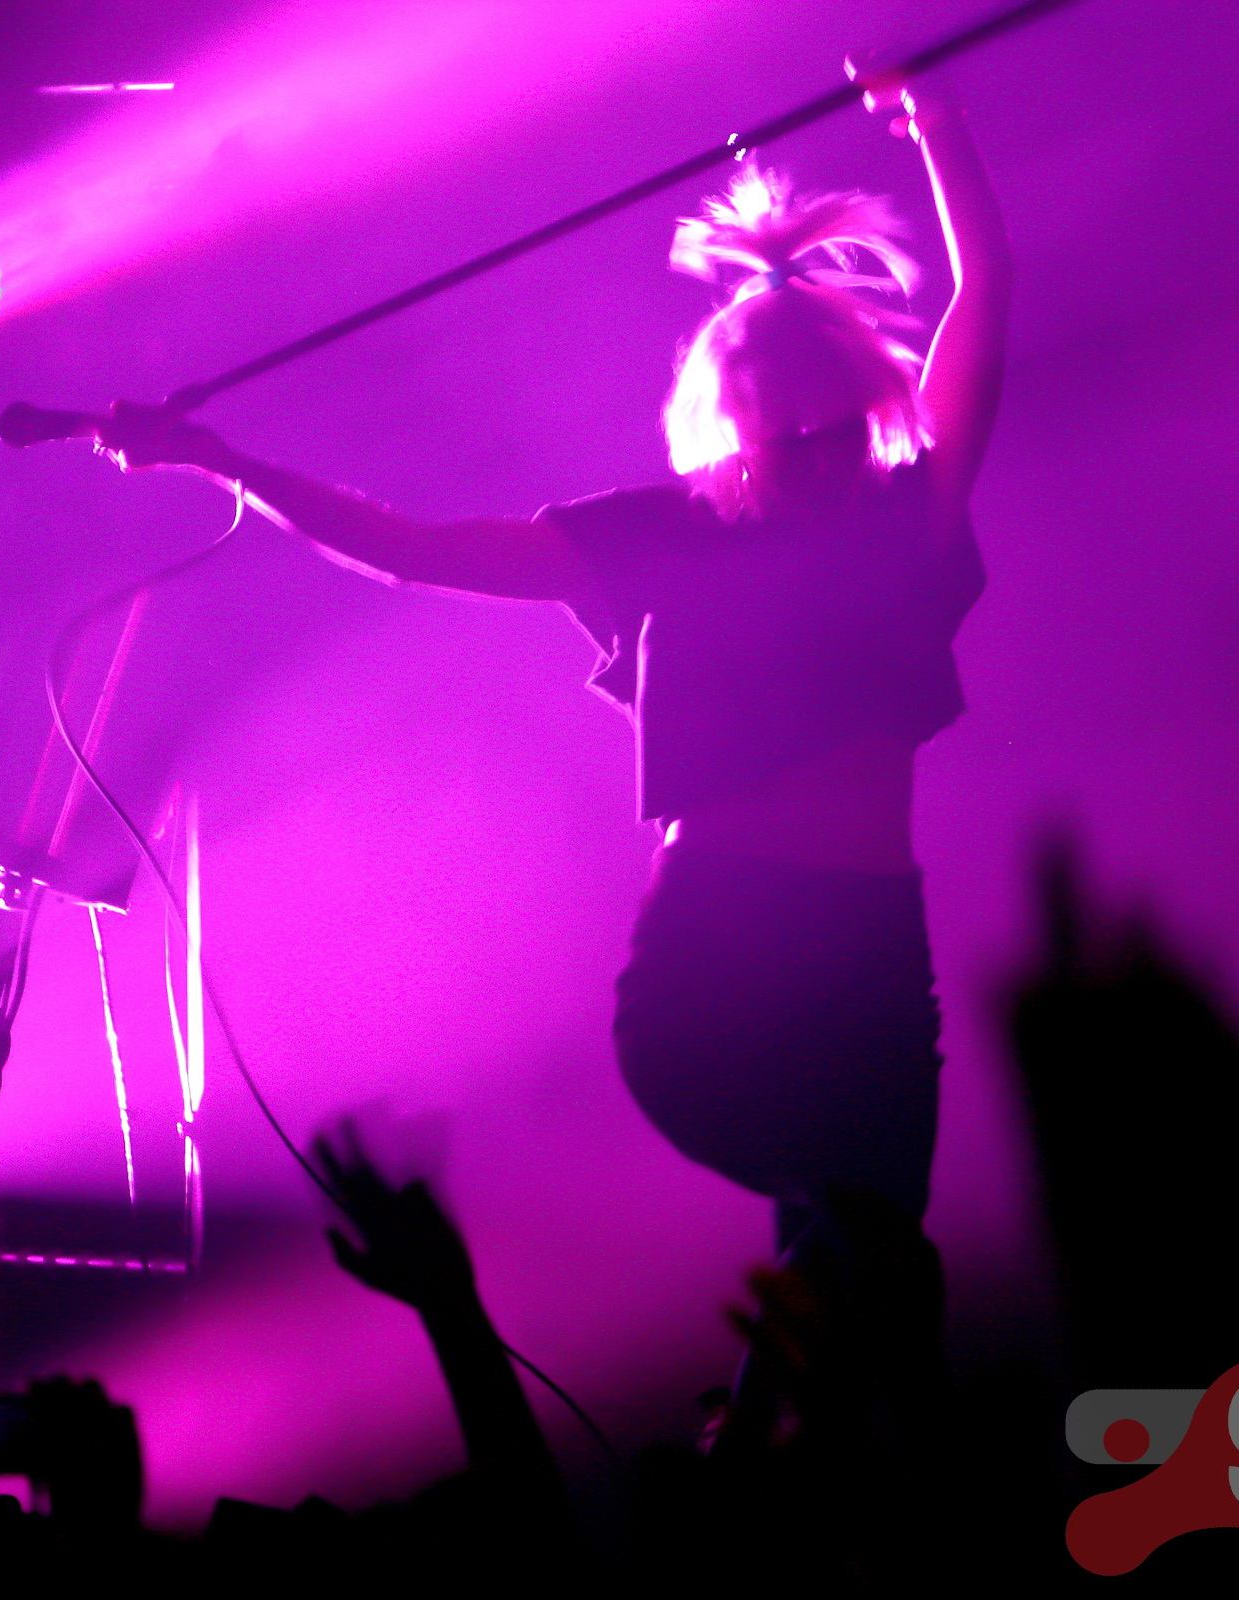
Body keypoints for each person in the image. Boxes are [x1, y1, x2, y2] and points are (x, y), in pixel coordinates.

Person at [91, 61, 1011, 1256]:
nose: (813, 451)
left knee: (868, 1263)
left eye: (832, 427)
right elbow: (413, 552)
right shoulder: (660, 536)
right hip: (719, 954)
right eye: (785, 432)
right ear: (732, 428)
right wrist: (222, 462)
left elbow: (984, 296)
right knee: (861, 1242)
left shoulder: (901, 515)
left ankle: (787, 1360)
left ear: (867, 409)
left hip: (874, 946)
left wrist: (938, 125)